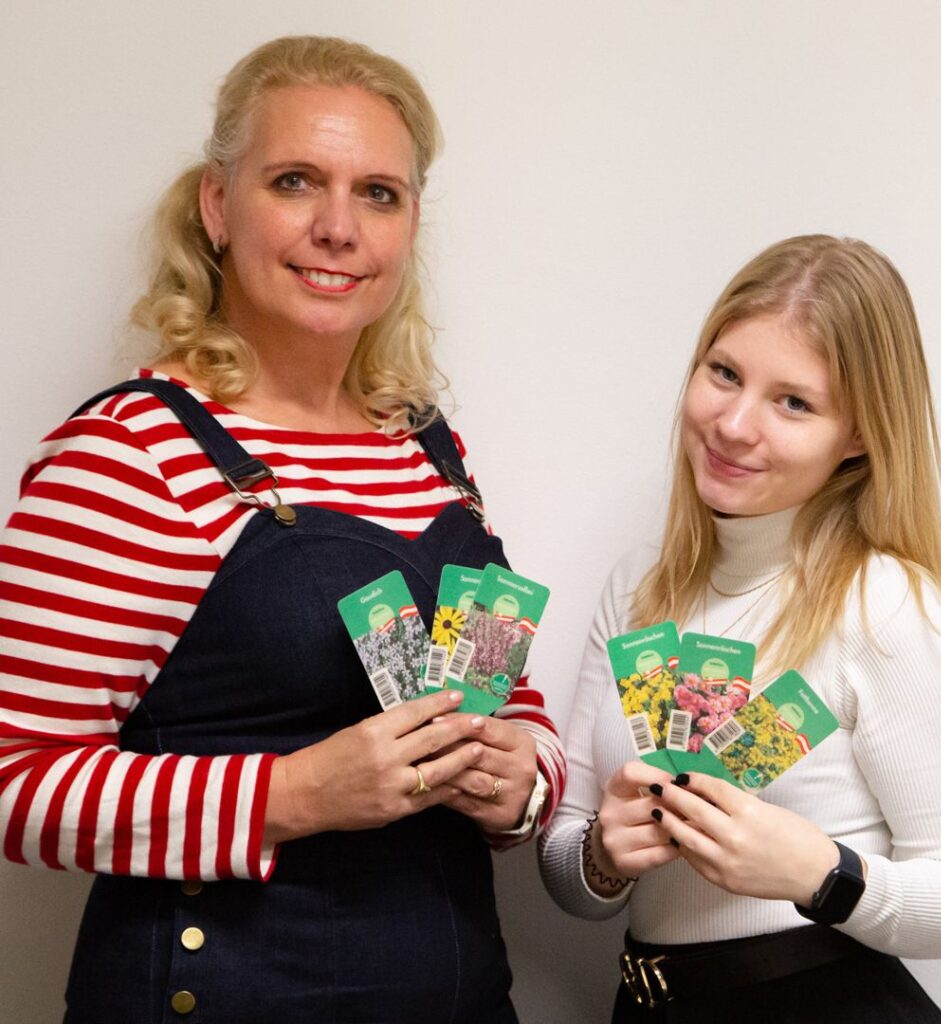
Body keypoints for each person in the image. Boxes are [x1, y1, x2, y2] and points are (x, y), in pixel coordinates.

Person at [0, 35, 564, 1024]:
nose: (337, 227)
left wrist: (525, 780)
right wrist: (293, 792)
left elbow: (512, 701)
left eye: (378, 193)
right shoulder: (129, 454)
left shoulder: (425, 446)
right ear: (218, 204)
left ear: (410, 223)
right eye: (296, 181)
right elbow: (14, 781)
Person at [538, 235, 941, 1022]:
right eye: (724, 373)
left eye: (794, 402)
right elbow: (570, 871)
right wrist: (600, 859)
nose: (734, 424)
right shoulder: (639, 586)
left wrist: (822, 873)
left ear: (857, 435)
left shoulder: (884, 603)